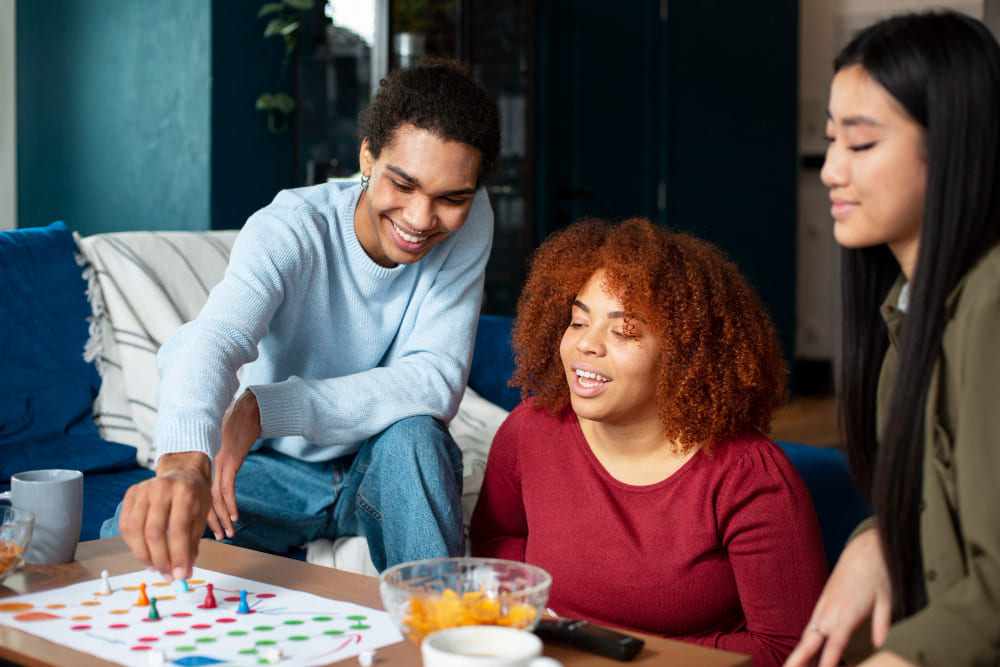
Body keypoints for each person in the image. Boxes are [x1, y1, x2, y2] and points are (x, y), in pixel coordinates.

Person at [104, 56, 502, 581]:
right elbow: (216, 337)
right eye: (402, 185)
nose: (421, 219)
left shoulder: (470, 223)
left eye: (450, 199)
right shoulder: (292, 227)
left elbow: (434, 382)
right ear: (367, 157)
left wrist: (271, 407)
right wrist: (182, 463)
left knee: (414, 436)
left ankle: (440, 638)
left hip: (381, 469)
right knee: (127, 541)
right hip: (274, 475)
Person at [470, 217, 828, 667]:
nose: (587, 345)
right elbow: (496, 535)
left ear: (686, 356)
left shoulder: (750, 476)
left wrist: (618, 654)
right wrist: (530, 615)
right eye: (579, 321)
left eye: (624, 332)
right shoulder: (529, 430)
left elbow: (791, 651)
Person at [784, 11, 1000, 667]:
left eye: (862, 144)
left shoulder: (990, 305)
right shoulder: (905, 309)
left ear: (956, 143)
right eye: (831, 142)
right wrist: (877, 536)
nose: (830, 171)